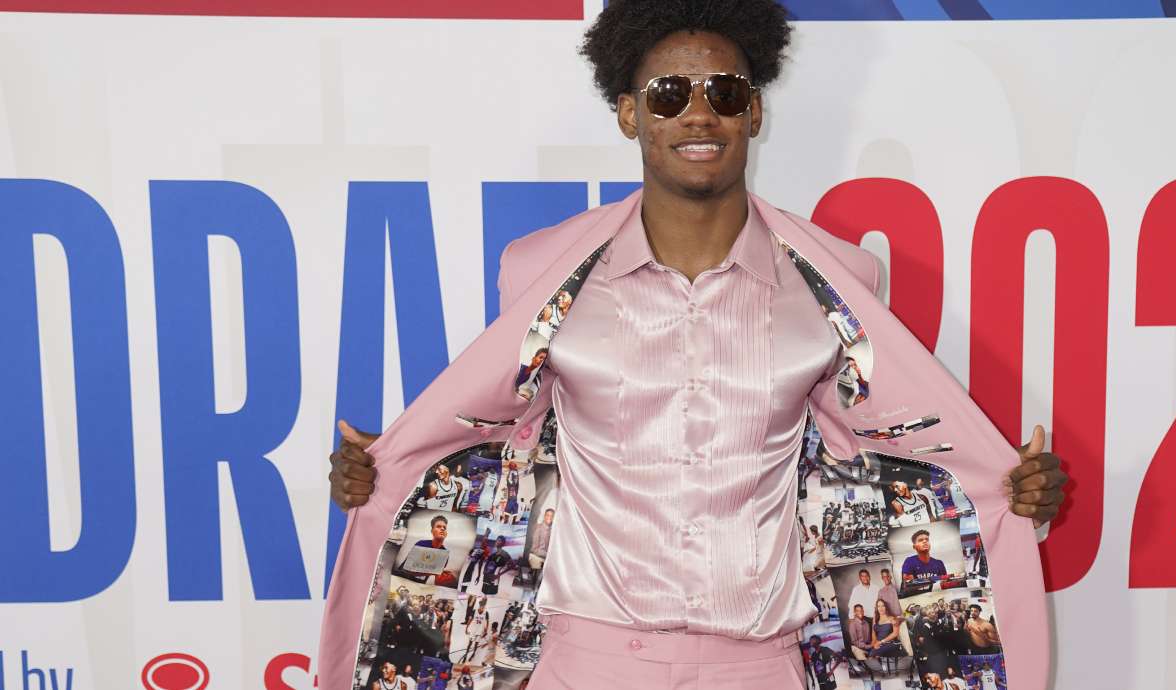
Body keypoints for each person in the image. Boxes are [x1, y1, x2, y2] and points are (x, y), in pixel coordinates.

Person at [323, 2, 1071, 687]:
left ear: (755, 111)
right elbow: (495, 439)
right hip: (587, 663)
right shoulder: (539, 270)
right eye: (669, 95)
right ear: (628, 114)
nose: (699, 115)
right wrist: (384, 478)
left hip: (760, 665)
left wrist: (1007, 493)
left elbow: (884, 452)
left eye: (725, 92)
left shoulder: (839, 278)